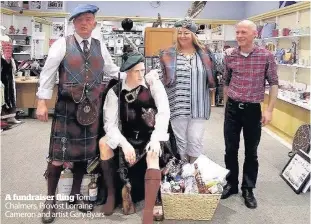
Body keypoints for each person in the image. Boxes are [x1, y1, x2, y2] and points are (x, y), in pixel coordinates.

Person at [35, 4, 128, 223]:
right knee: (58, 156)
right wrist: (41, 101)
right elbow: (48, 73)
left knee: (83, 156)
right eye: (80, 20)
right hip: (67, 107)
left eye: (88, 19)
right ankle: (51, 200)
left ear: (94, 23)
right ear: (74, 23)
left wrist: (134, 75)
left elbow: (111, 70)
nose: (85, 23)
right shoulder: (62, 44)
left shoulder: (99, 46)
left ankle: (76, 194)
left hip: (91, 108)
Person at [99, 51, 178, 223]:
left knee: (153, 155)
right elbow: (109, 125)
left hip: (150, 136)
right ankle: (111, 196)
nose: (142, 75)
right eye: (137, 71)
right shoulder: (115, 92)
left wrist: (157, 139)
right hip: (127, 138)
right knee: (103, 143)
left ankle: (148, 211)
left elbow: (164, 113)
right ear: (127, 72)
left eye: (143, 70)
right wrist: (124, 144)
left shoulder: (152, 84)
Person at [221, 20, 278, 209]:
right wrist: (226, 107)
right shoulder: (229, 56)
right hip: (233, 109)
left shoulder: (266, 56)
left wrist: (269, 110)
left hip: (253, 109)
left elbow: (274, 83)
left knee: (251, 152)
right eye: (237, 32)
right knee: (230, 149)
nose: (239, 36)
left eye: (243, 32)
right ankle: (231, 184)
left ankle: (248, 188)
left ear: (255, 34)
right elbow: (226, 82)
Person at [159, 17, 217, 163]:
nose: (182, 36)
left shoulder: (205, 53)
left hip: (199, 105)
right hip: (177, 104)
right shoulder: (167, 54)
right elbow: (161, 77)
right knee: (180, 140)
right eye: (179, 33)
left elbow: (213, 75)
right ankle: (183, 169)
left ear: (193, 34)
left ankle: (193, 170)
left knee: (196, 139)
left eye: (186, 33)